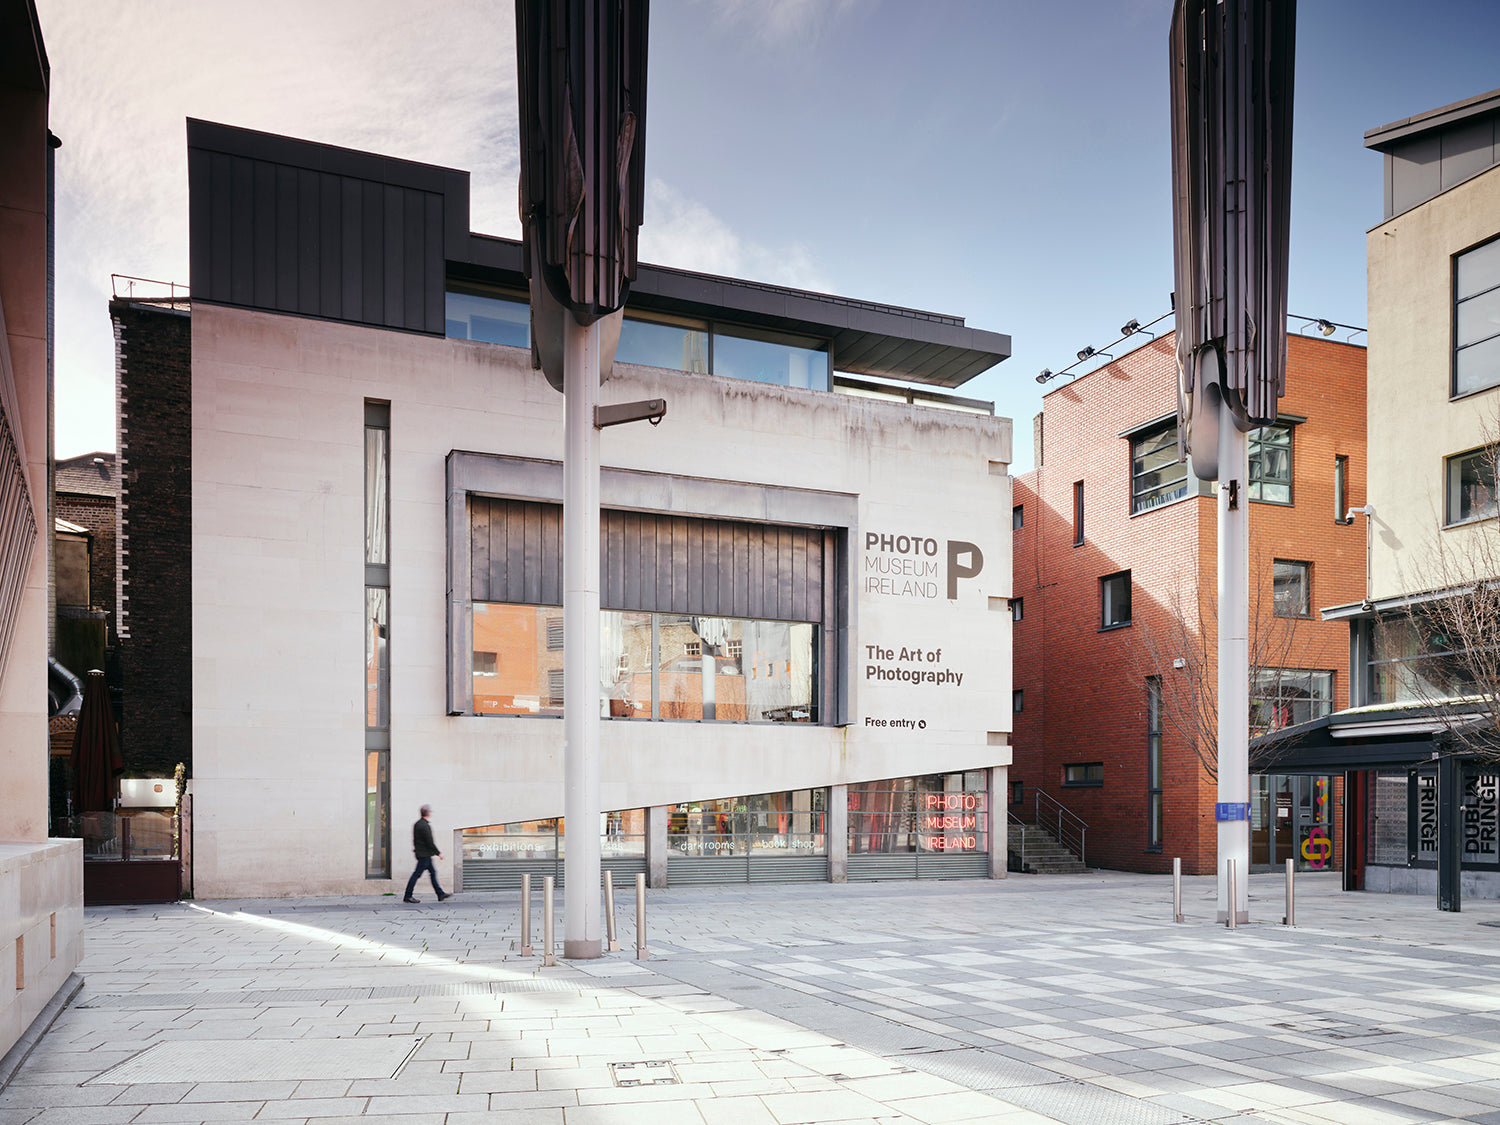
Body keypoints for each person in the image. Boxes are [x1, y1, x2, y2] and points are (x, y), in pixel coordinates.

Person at [403, 804, 450, 903]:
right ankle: (408, 895)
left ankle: (440, 893)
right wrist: (438, 853)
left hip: (422, 854)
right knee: (416, 875)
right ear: (428, 813)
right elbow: (430, 842)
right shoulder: (425, 826)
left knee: (432, 873)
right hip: (424, 855)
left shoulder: (417, 824)